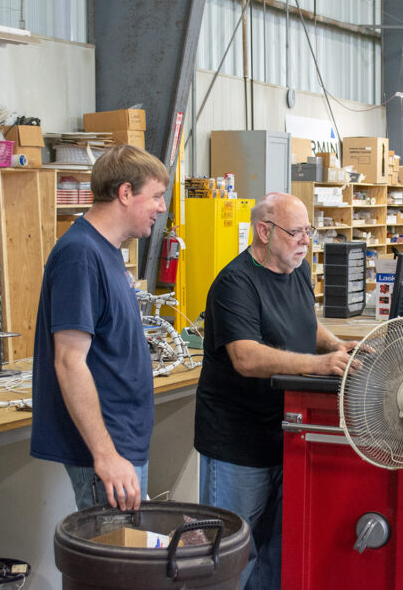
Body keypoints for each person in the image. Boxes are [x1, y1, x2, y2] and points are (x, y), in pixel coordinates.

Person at [194, 192, 358, 589]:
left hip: (286, 435)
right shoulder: (235, 282)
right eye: (296, 232)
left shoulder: (296, 269)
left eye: (309, 231)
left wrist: (335, 346)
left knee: (274, 556)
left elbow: (302, 323)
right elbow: (246, 357)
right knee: (229, 556)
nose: (306, 241)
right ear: (264, 231)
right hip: (238, 444)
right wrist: (319, 365)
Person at [30, 145, 168, 511]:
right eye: (156, 196)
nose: (162, 207)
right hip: (108, 452)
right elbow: (68, 362)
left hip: (124, 440)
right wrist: (106, 455)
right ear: (125, 193)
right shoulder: (81, 255)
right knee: (114, 564)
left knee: (128, 558)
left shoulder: (106, 251)